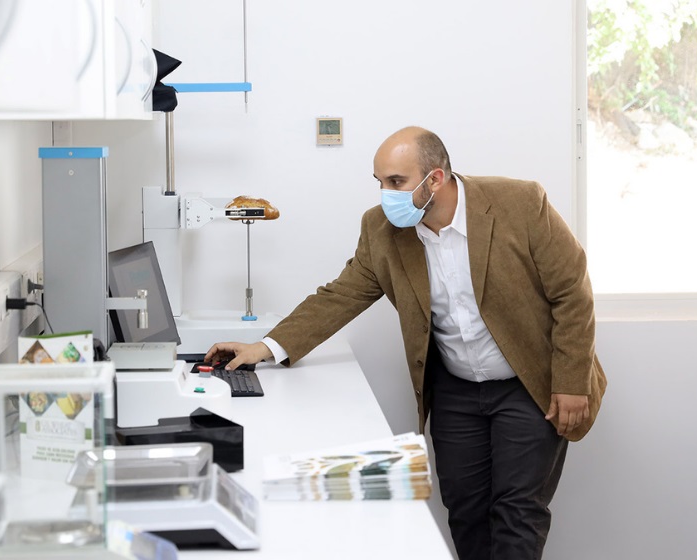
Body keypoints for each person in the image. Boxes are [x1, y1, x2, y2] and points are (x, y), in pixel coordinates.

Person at [205, 126, 607, 560]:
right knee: (465, 510)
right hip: (455, 389)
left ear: (435, 179)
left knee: (517, 513)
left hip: (529, 384)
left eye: (396, 182)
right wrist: (265, 348)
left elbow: (572, 292)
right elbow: (341, 294)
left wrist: (571, 381)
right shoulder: (381, 229)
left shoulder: (520, 203)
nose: (385, 195)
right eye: (379, 182)